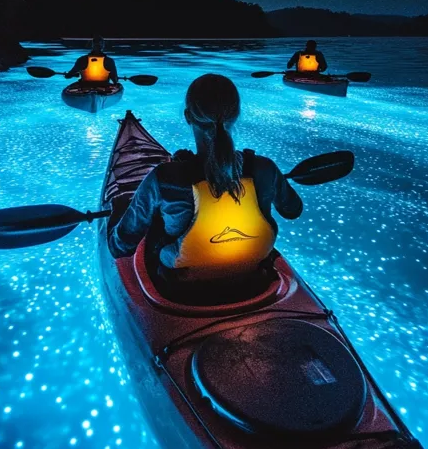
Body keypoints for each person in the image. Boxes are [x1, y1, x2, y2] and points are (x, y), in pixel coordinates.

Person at [108, 74, 303, 303]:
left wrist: (120, 209)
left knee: (156, 224)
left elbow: (120, 246)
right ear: (236, 115)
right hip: (251, 277)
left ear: (188, 116)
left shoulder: (163, 178)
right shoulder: (265, 169)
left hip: (181, 288)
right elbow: (293, 210)